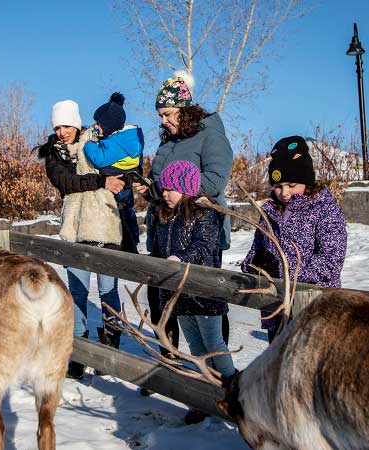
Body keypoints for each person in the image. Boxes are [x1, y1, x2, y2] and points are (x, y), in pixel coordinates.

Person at [133, 71, 233, 379]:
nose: (163, 120)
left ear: (184, 109)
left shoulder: (210, 135)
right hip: (166, 231)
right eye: (161, 115)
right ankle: (181, 374)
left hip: (199, 230)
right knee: (172, 306)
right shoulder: (167, 144)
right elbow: (164, 186)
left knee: (206, 305)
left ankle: (221, 378)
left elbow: (215, 181)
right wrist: (148, 190)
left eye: (167, 114)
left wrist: (183, 189)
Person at [34, 99, 125, 380]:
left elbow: (118, 165)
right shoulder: (54, 155)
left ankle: (111, 347)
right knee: (77, 293)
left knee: (108, 290)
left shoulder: (94, 141)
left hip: (105, 226)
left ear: (76, 123)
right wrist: (100, 182)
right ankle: (77, 351)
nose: (62, 132)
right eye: (57, 127)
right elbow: (67, 183)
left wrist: (119, 182)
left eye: (66, 125)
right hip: (75, 230)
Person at [241, 135, 348, 342]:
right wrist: (255, 266)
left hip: (313, 309)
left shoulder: (325, 210)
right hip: (275, 309)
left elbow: (331, 261)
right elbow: (254, 252)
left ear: (306, 179)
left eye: (291, 184)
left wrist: (281, 273)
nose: (284, 192)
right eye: (278, 186)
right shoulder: (270, 212)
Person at [153, 160, 235, 425]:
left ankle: (234, 393)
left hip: (203, 292)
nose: (164, 193)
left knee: (214, 345)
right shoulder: (165, 215)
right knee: (196, 347)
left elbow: (203, 246)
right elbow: (159, 249)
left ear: (186, 188)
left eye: (170, 189)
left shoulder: (205, 213)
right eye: (163, 189)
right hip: (179, 294)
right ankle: (205, 397)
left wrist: (180, 259)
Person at [83, 92, 145, 254]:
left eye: (99, 124)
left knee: (118, 211)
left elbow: (99, 159)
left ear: (111, 127)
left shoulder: (117, 143)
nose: (96, 126)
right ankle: (133, 237)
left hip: (115, 180)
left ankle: (128, 243)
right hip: (125, 180)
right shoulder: (129, 138)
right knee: (127, 209)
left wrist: (89, 145)